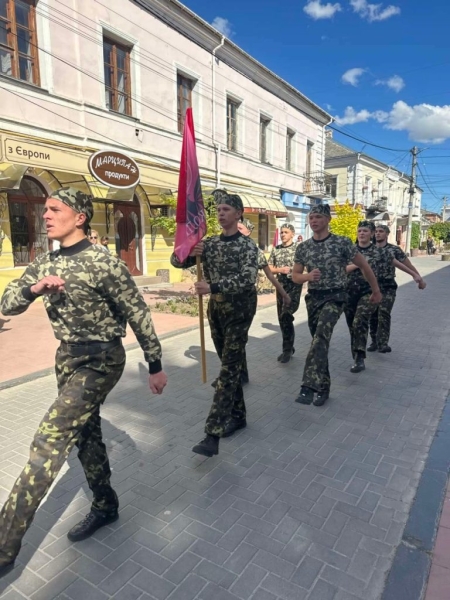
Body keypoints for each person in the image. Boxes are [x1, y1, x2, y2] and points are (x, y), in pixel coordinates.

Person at [0, 187, 167, 577]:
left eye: (55, 209)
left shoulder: (104, 263)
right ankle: (106, 505)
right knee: (86, 435)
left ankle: (5, 546)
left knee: (48, 441)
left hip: (101, 358)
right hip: (67, 358)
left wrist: (155, 364)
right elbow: (7, 302)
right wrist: (33, 288)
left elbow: (138, 312)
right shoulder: (45, 263)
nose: (45, 216)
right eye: (44, 210)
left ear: (79, 217)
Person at [170, 190, 258, 457]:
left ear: (238, 213)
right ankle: (238, 416)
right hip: (216, 310)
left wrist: (213, 285)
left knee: (229, 369)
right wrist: (187, 249)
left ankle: (212, 434)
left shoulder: (247, 246)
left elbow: (247, 280)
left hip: (240, 310)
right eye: (218, 210)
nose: (221, 214)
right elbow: (177, 262)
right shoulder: (209, 243)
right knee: (228, 364)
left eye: (226, 210)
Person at [292, 204, 381, 407]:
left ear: (327, 220)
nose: (313, 220)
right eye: (311, 217)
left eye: (318, 217)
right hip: (314, 298)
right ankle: (323, 387)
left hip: (336, 296)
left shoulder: (341, 243)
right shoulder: (304, 247)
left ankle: (308, 386)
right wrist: (307, 276)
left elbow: (364, 265)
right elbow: (295, 276)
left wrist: (376, 290)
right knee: (318, 342)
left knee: (322, 335)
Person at [345, 221, 422, 374]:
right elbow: (343, 269)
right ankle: (361, 349)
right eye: (359, 230)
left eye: (365, 231)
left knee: (360, 321)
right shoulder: (349, 250)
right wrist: (360, 264)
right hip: (349, 292)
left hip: (369, 292)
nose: (361, 233)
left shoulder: (381, 252)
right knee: (352, 326)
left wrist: (415, 275)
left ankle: (359, 358)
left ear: (371, 234)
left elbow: (398, 263)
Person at [368, 225, 426, 353]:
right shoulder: (369, 249)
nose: (377, 234)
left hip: (388, 286)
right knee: (373, 315)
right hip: (372, 287)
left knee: (384, 313)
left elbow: (408, 265)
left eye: (381, 231)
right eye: (376, 232)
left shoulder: (394, 250)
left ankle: (383, 343)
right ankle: (374, 341)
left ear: (387, 234)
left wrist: (419, 278)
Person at [268, 223, 303, 363]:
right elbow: (270, 268)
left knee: (286, 314)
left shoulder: (298, 249)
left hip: (294, 286)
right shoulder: (276, 250)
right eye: (281, 232)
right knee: (282, 319)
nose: (283, 235)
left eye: (286, 232)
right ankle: (289, 347)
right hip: (280, 287)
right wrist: (280, 270)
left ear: (292, 234)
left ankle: (287, 350)